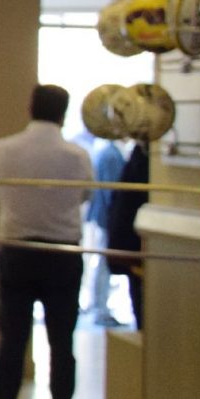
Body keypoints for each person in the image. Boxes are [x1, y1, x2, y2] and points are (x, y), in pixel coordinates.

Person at [0, 85, 95, 399]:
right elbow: (86, 195)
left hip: (16, 251)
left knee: (12, 339)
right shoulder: (76, 155)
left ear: (29, 107)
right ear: (64, 113)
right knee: (62, 342)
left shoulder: (3, 149)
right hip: (62, 253)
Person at [85, 135, 125, 325]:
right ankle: (100, 308)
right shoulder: (111, 155)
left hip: (103, 215)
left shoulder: (108, 153)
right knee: (102, 263)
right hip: (107, 217)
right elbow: (112, 192)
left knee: (101, 261)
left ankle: (99, 306)